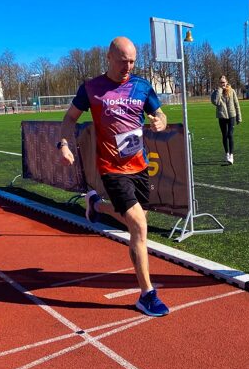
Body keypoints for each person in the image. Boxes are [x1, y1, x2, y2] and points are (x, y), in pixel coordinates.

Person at [58, 36, 169, 317]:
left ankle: (96, 205)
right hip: (112, 168)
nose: (127, 67)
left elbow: (160, 114)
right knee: (139, 227)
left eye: (132, 62)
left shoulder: (142, 86)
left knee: (136, 223)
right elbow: (69, 118)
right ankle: (147, 294)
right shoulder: (91, 88)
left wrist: (160, 121)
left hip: (140, 165)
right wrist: (64, 145)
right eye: (122, 61)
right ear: (108, 58)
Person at [210, 75, 242, 164]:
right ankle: (227, 153)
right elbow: (216, 102)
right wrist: (220, 91)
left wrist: (239, 117)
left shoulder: (232, 91)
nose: (222, 84)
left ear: (227, 82)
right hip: (222, 116)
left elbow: (236, 104)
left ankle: (231, 155)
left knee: (230, 135)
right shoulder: (216, 92)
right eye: (221, 82)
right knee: (224, 135)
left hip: (232, 116)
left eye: (223, 82)